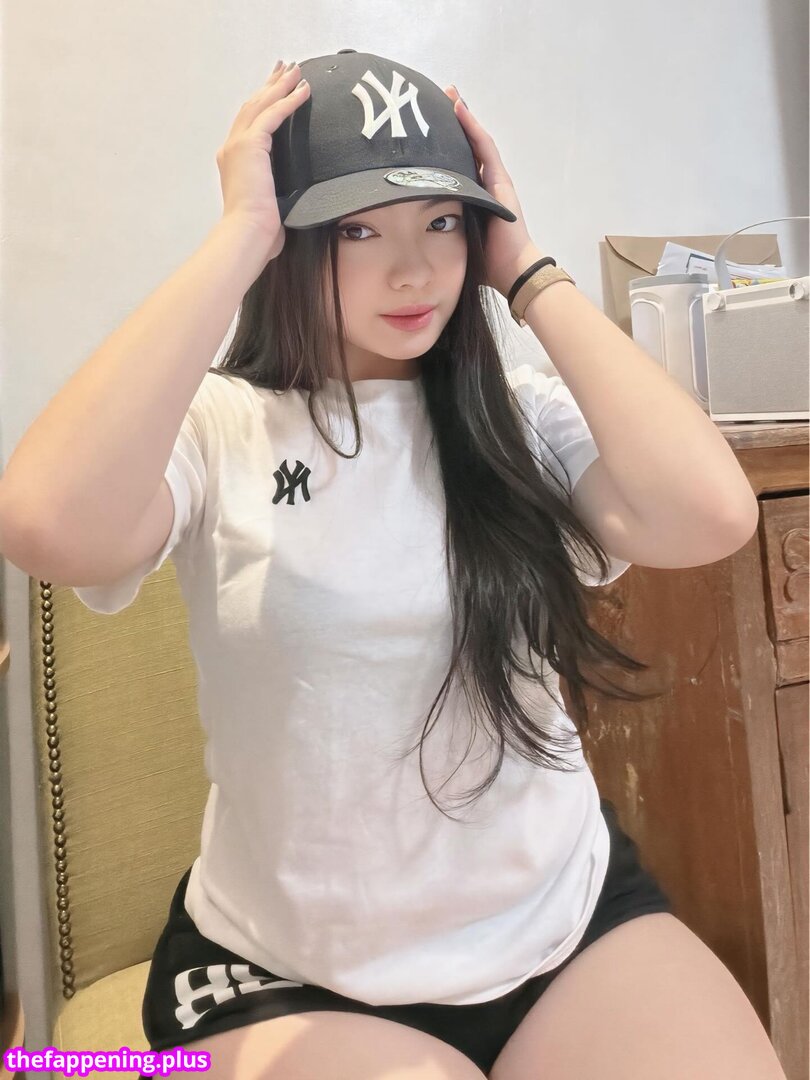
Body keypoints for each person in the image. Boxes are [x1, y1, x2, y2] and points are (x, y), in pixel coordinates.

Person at [1, 49, 785, 1080]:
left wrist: (527, 269)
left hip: (560, 920)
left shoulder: (514, 414)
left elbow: (713, 515)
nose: (412, 270)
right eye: (356, 231)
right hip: (291, 967)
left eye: (441, 222)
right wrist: (235, 240)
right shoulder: (224, 426)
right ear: (290, 239)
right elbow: (47, 523)